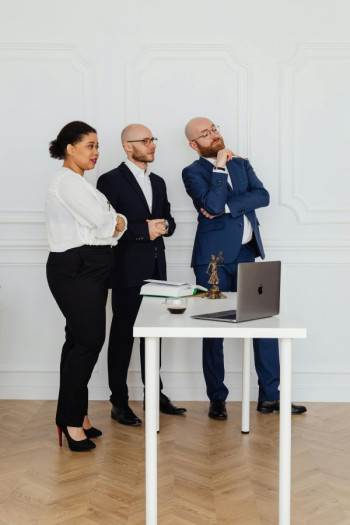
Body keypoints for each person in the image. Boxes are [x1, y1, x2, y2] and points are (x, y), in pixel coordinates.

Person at [182, 117, 306, 419]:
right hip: (211, 260)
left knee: (263, 324)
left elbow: (262, 196)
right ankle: (217, 399)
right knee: (212, 330)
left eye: (214, 129)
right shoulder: (192, 172)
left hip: (248, 256)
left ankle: (270, 397)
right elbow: (209, 203)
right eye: (204, 134)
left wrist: (226, 206)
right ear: (193, 144)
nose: (213, 135)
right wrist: (220, 167)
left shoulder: (243, 163)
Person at [97, 123, 186, 426]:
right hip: (125, 271)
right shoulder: (109, 180)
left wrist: (165, 226)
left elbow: (169, 220)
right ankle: (118, 401)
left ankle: (154, 393)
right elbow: (106, 225)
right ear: (127, 146)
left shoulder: (158, 181)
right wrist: (142, 231)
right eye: (145, 141)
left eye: (153, 140)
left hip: (156, 271)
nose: (152, 145)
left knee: (154, 334)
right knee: (122, 335)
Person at [46, 121, 127, 451]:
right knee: (89, 340)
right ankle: (70, 418)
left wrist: (112, 223)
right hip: (76, 268)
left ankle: (75, 415)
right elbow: (106, 222)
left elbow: (111, 224)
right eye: (90, 145)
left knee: (78, 341)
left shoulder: (82, 184)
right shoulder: (67, 183)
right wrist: (112, 222)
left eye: (97, 146)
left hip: (90, 267)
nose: (96, 152)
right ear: (70, 148)